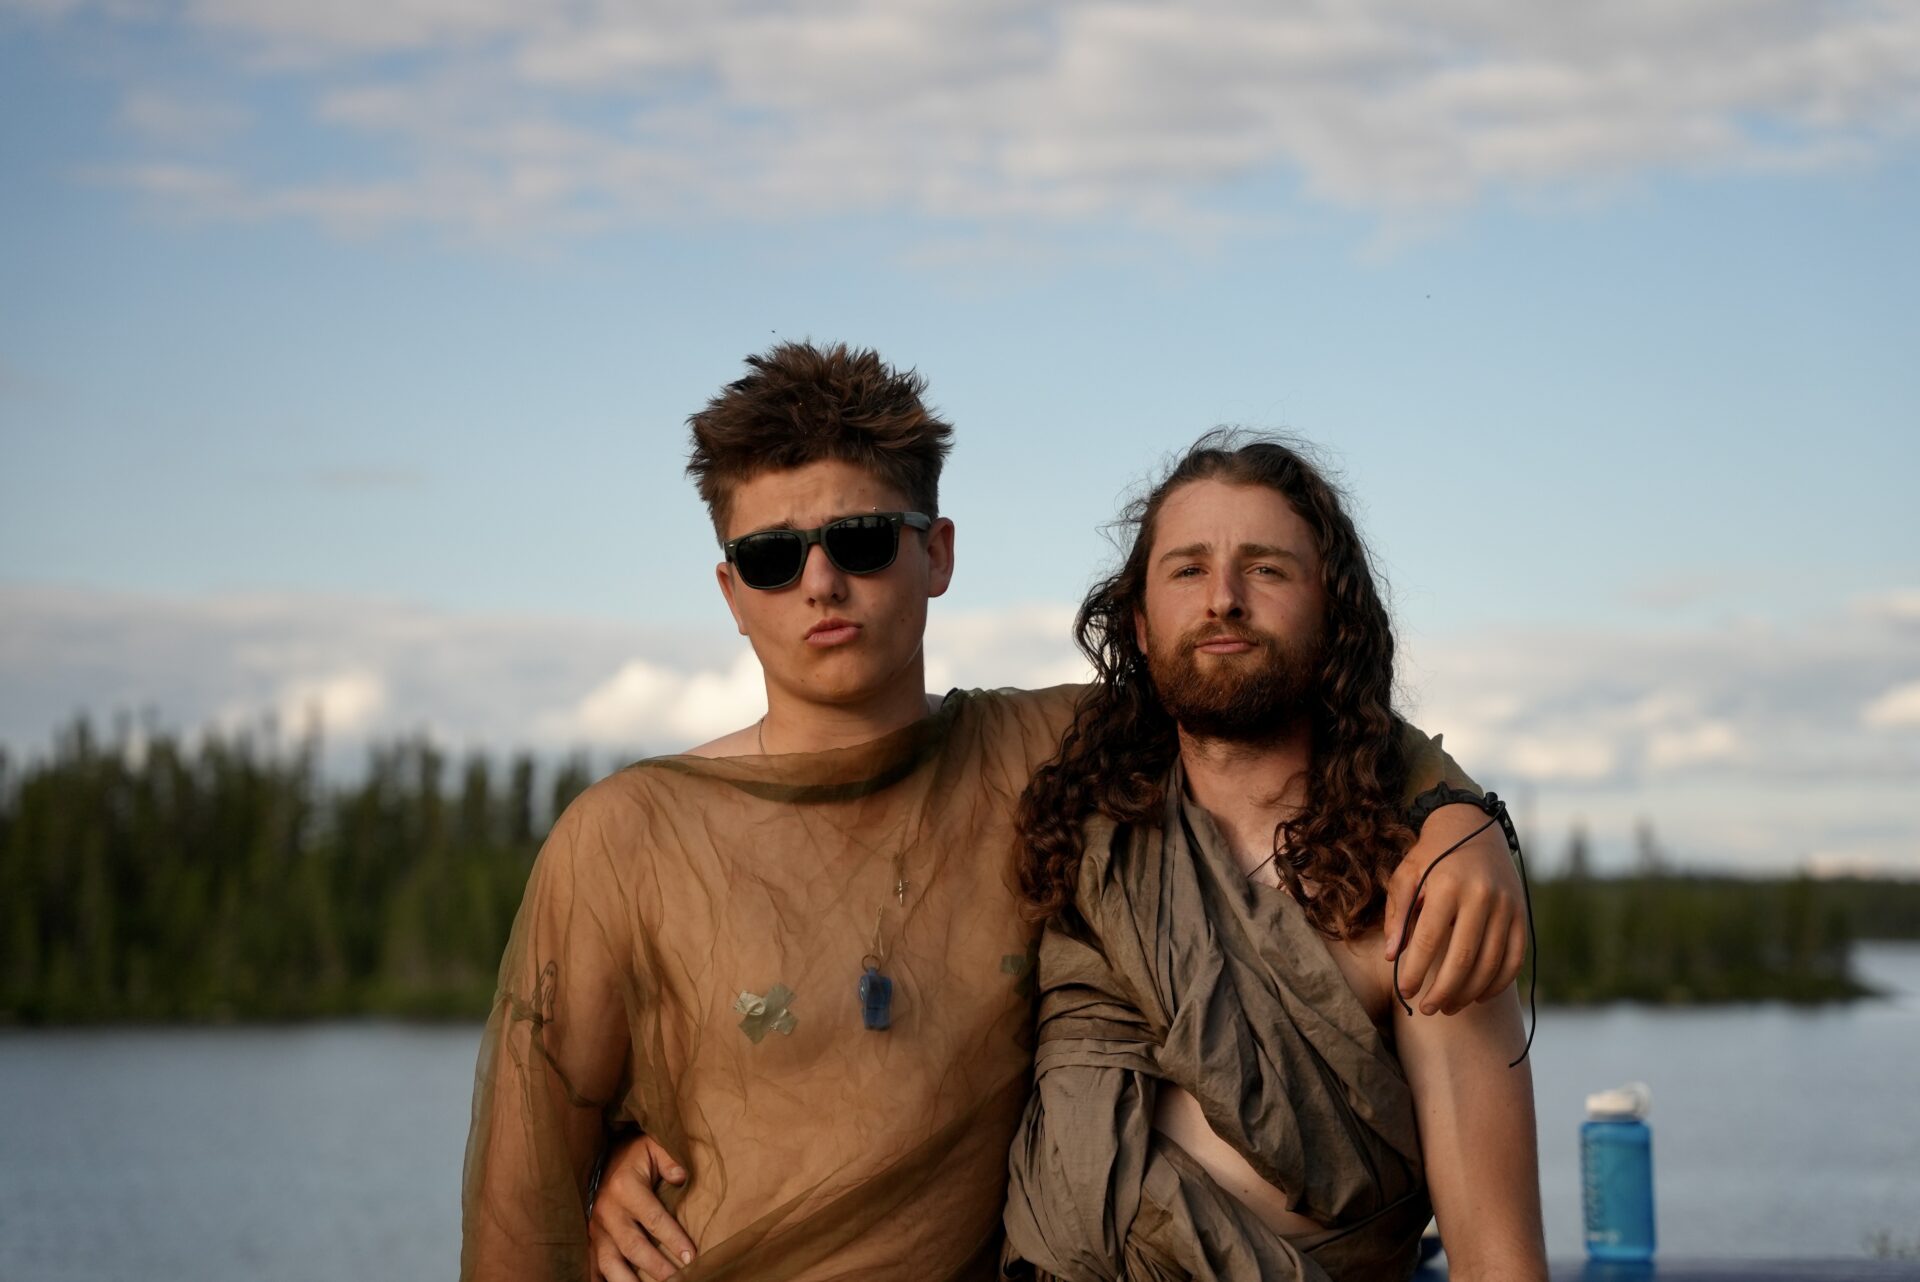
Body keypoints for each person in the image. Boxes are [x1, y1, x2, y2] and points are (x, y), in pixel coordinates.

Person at [462, 344, 1528, 1282]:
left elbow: (1265, 696)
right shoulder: (623, 836)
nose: (821, 582)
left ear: (938, 553)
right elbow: (518, 1208)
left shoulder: (1048, 753)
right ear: (733, 591)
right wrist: (600, 1169)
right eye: (773, 557)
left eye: (863, 538)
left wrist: (1461, 821)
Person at [1000, 433, 1546, 1280]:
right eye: (1186, 570)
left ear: (1332, 617)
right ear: (1140, 627)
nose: (1222, 599)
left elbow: (1497, 1257)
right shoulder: (1081, 838)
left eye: (1266, 569)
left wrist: (1466, 826)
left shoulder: (1413, 893)